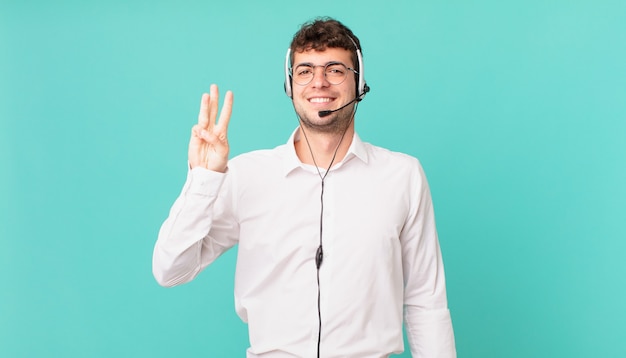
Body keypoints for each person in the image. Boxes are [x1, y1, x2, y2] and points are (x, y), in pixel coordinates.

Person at [153, 17, 456, 358]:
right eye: (305, 71)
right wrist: (204, 179)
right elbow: (171, 270)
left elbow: (425, 303)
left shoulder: (403, 175)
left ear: (359, 83)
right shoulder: (245, 176)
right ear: (290, 84)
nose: (319, 83)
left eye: (335, 70)